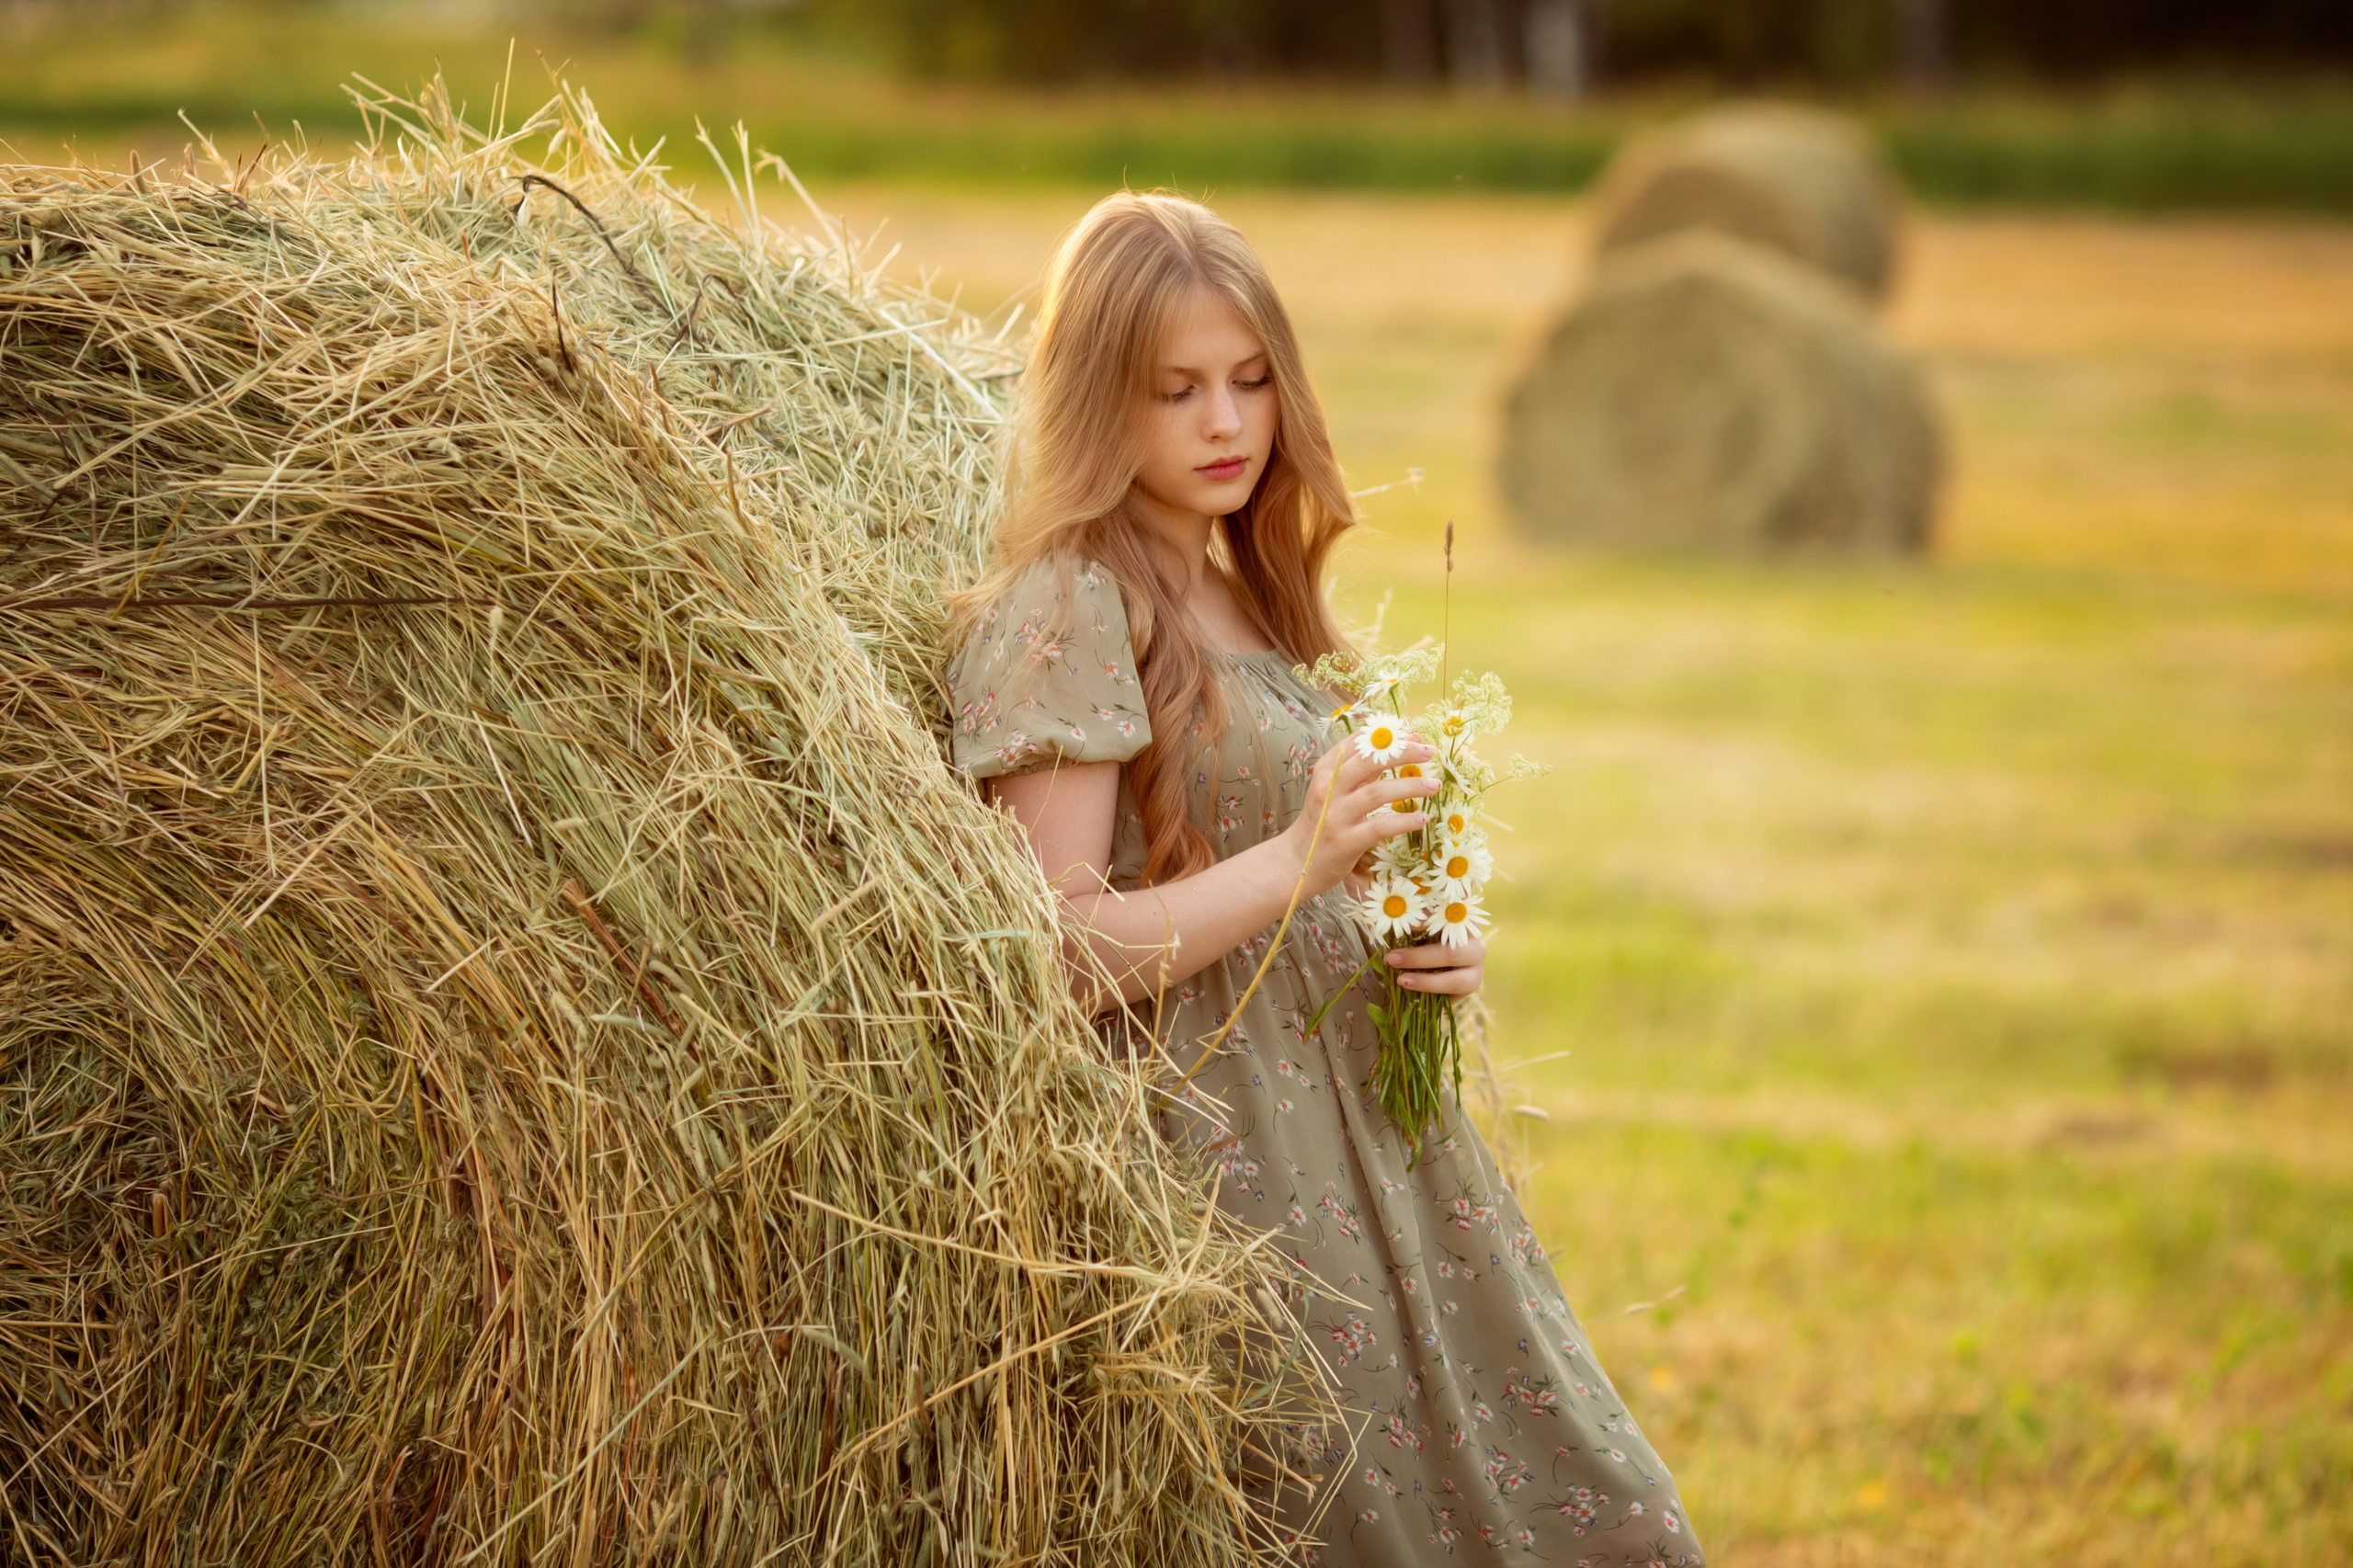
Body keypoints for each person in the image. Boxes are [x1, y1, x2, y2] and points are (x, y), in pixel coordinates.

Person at [945, 191, 1701, 1567]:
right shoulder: (1067, 608)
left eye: (1250, 382)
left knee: (1604, 1511)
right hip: (1233, 1177)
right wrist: (1298, 862)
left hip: (1382, 1152)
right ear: (1097, 399)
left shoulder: (1254, 596)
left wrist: (1407, 938)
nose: (1227, 423)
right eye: (1176, 391)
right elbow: (1057, 953)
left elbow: (1308, 880)